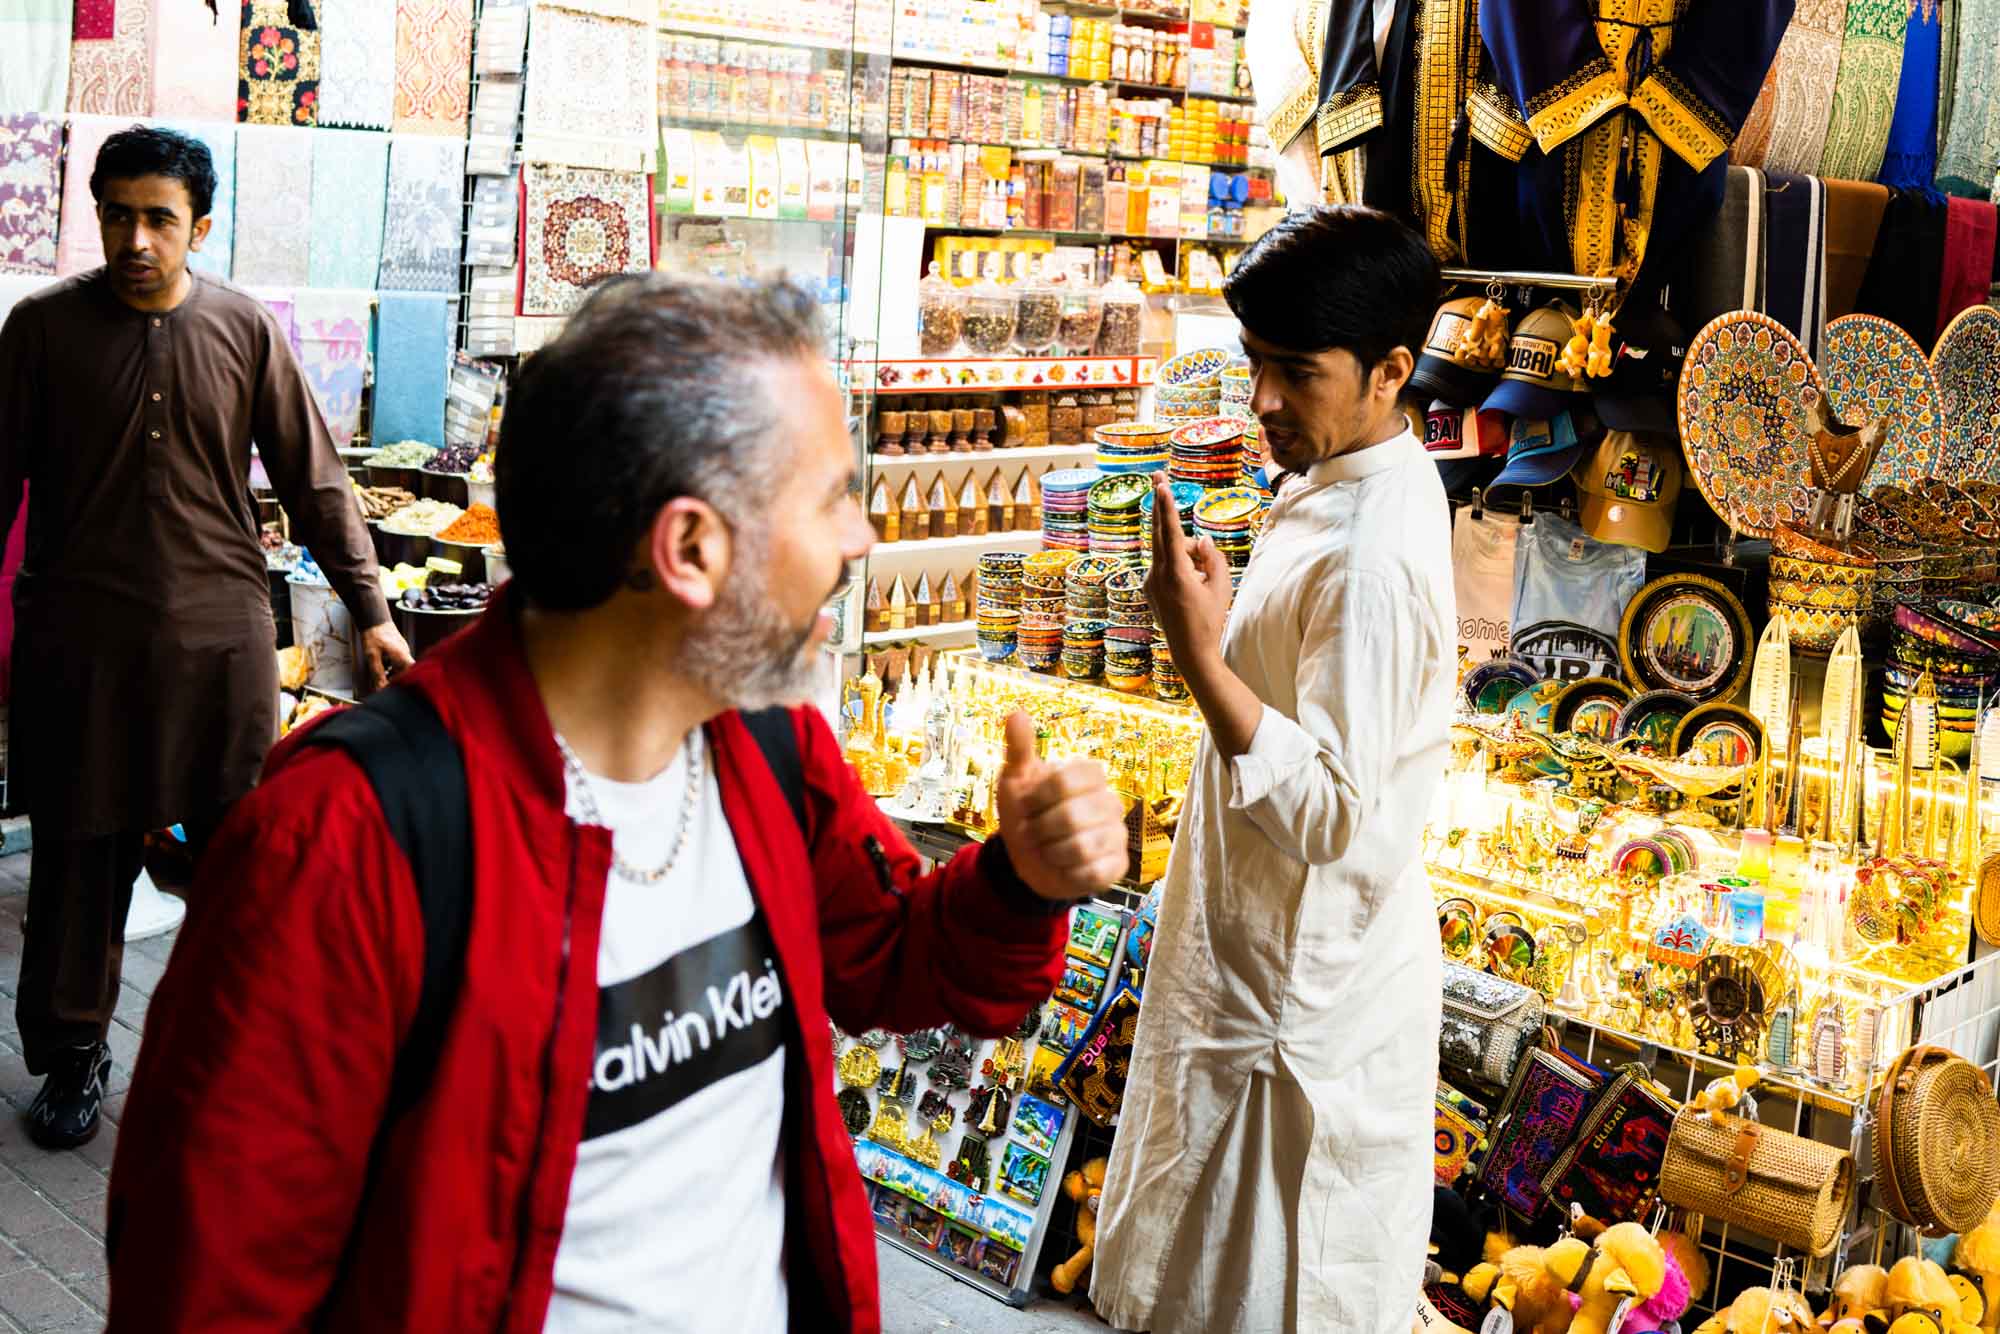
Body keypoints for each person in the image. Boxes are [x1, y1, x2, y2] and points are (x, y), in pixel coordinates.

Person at [104, 274, 1130, 1332]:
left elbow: (892, 955)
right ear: (689, 549)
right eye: (831, 497)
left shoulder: (768, 745)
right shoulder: (343, 839)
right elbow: (207, 1283)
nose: (862, 539)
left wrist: (1016, 882)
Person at [0, 126, 411, 1150]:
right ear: (94, 215)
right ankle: (71, 1057)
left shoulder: (243, 330)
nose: (135, 238)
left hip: (218, 640)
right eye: (117, 215)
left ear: (201, 226)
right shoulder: (42, 329)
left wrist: (372, 608)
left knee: (237, 853)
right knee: (77, 854)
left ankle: (240, 1048)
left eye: (159, 218)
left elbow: (314, 481)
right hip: (80, 641)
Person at [1091, 206, 1456, 1334]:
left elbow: (1335, 812)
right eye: (1255, 363)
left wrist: (1198, 652)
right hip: (1256, 962)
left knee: (1261, 1288)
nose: (1260, 401)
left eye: (1294, 372)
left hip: (1296, 1010)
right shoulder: (1340, 476)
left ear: (1390, 371)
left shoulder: (1371, 552)